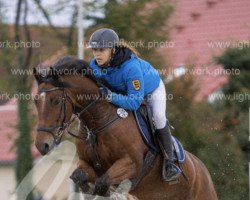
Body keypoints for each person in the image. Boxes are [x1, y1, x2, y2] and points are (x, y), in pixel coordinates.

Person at [87, 28, 181, 182]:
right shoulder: (95, 66)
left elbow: (135, 102)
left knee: (158, 117)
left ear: (113, 49)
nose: (97, 54)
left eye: (101, 50)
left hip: (151, 91)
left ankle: (169, 162)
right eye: (94, 50)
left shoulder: (131, 68)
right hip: (124, 93)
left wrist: (110, 96)